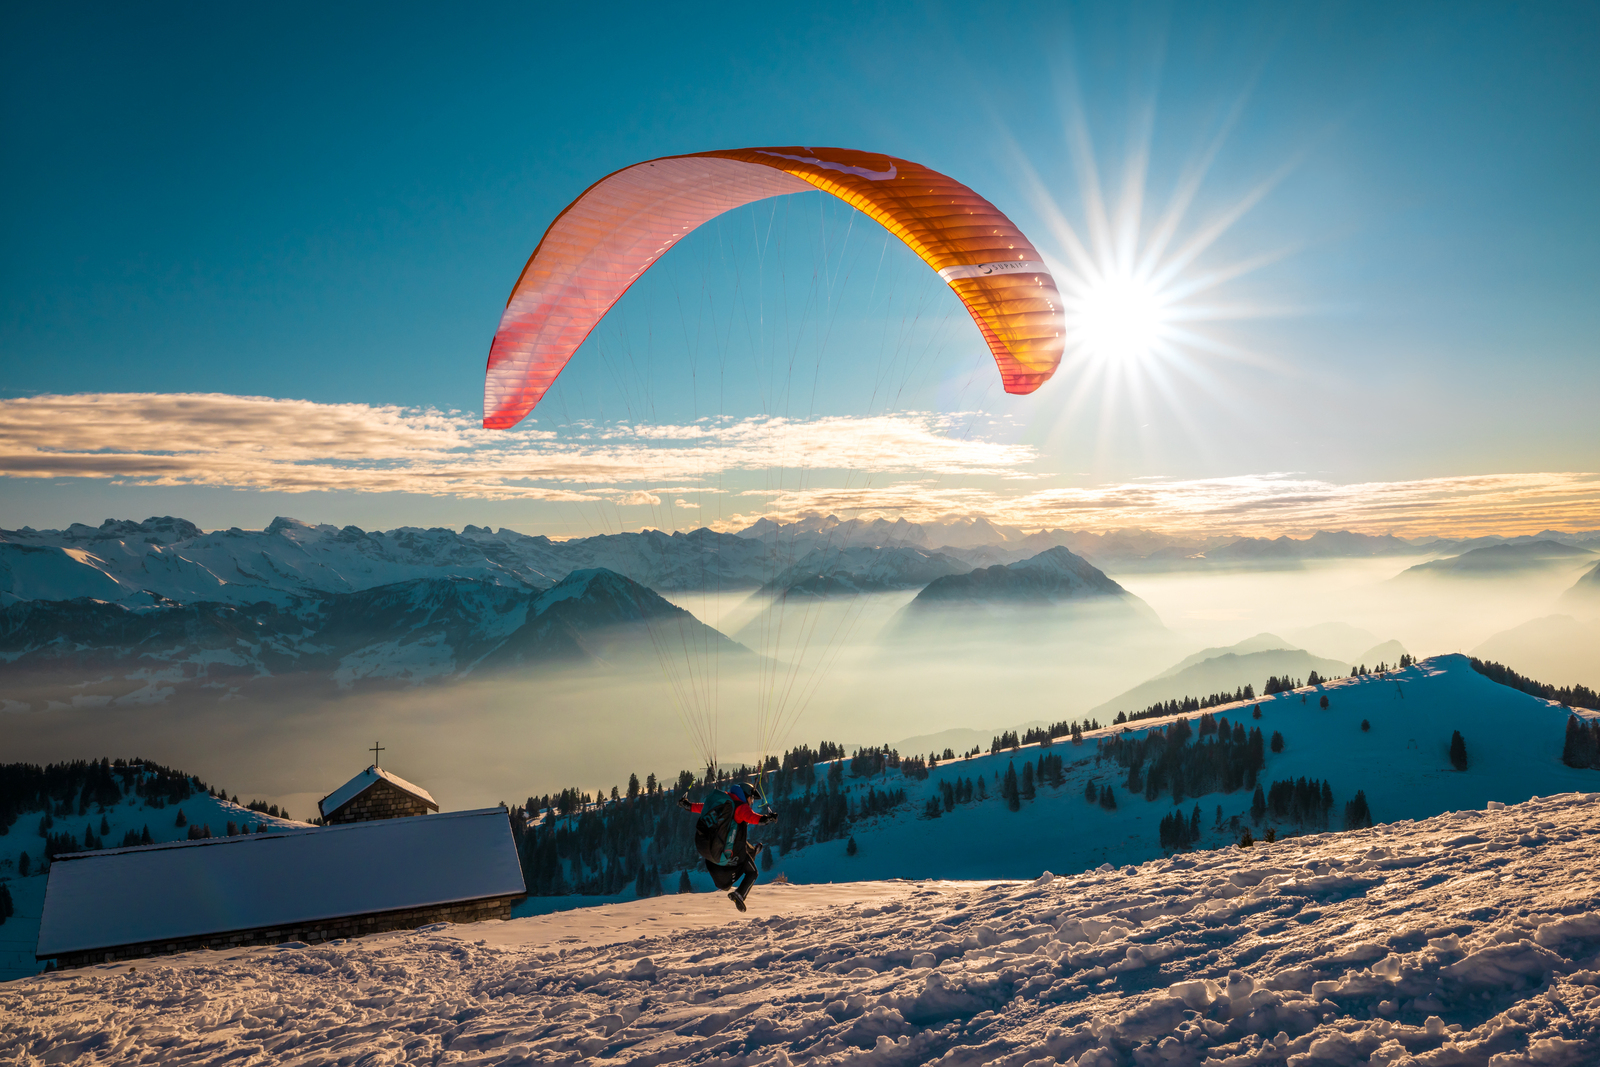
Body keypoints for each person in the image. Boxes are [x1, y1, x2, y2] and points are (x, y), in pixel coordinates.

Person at [679, 781, 777, 911]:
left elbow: (703, 807)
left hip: (711, 850)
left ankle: (753, 851)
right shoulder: (741, 807)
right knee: (753, 873)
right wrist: (767, 819)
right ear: (745, 795)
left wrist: (688, 805)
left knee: (741, 843)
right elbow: (752, 817)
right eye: (751, 798)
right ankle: (740, 895)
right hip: (729, 852)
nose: (751, 802)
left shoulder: (724, 804)